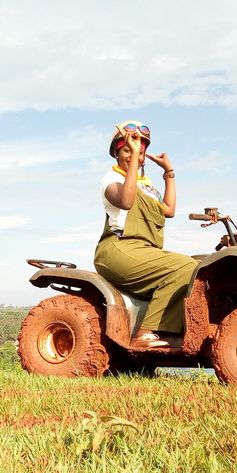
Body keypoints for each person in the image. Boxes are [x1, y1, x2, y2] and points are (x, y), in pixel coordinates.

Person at [93, 120, 198, 349]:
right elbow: (126, 201)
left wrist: (168, 172)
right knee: (183, 266)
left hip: (145, 251)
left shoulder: (147, 187)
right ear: (116, 153)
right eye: (127, 150)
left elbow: (169, 210)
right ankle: (147, 332)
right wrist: (133, 165)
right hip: (119, 249)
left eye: (139, 152)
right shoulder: (112, 179)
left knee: (200, 264)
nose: (134, 156)